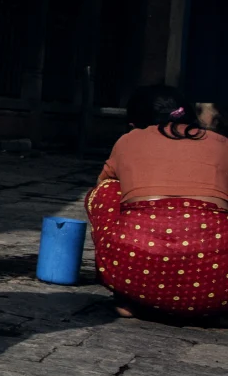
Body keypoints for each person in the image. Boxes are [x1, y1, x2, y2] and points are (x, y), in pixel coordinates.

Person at [87, 85, 228, 319]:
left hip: (136, 276)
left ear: (134, 123)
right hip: (218, 285)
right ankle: (216, 306)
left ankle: (127, 299)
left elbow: (101, 184)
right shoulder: (222, 142)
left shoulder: (128, 140)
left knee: (107, 189)